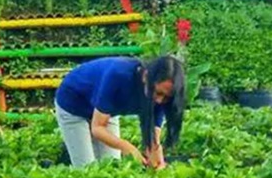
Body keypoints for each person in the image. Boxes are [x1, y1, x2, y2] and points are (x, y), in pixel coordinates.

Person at [54, 55, 186, 169]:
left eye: (166, 97)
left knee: (112, 167)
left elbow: (153, 137)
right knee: (86, 169)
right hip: (73, 104)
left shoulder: (161, 98)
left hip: (106, 111)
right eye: (158, 93)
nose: (159, 100)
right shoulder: (119, 75)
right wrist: (127, 147)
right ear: (146, 77)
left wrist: (157, 157)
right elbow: (98, 127)